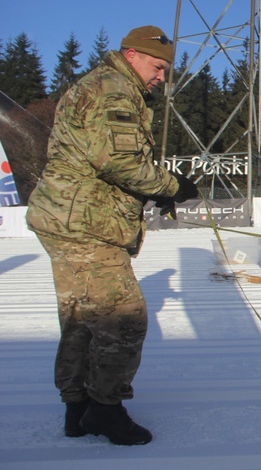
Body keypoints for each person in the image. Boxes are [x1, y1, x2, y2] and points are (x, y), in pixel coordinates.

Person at [26, 25, 199, 445]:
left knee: (82, 320)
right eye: (158, 66)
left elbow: (104, 161)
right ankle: (105, 409)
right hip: (85, 225)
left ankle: (78, 408)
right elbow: (120, 161)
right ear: (131, 54)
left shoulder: (104, 86)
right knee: (125, 320)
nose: (162, 76)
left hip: (69, 218)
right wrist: (172, 185)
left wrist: (150, 192)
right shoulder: (114, 90)